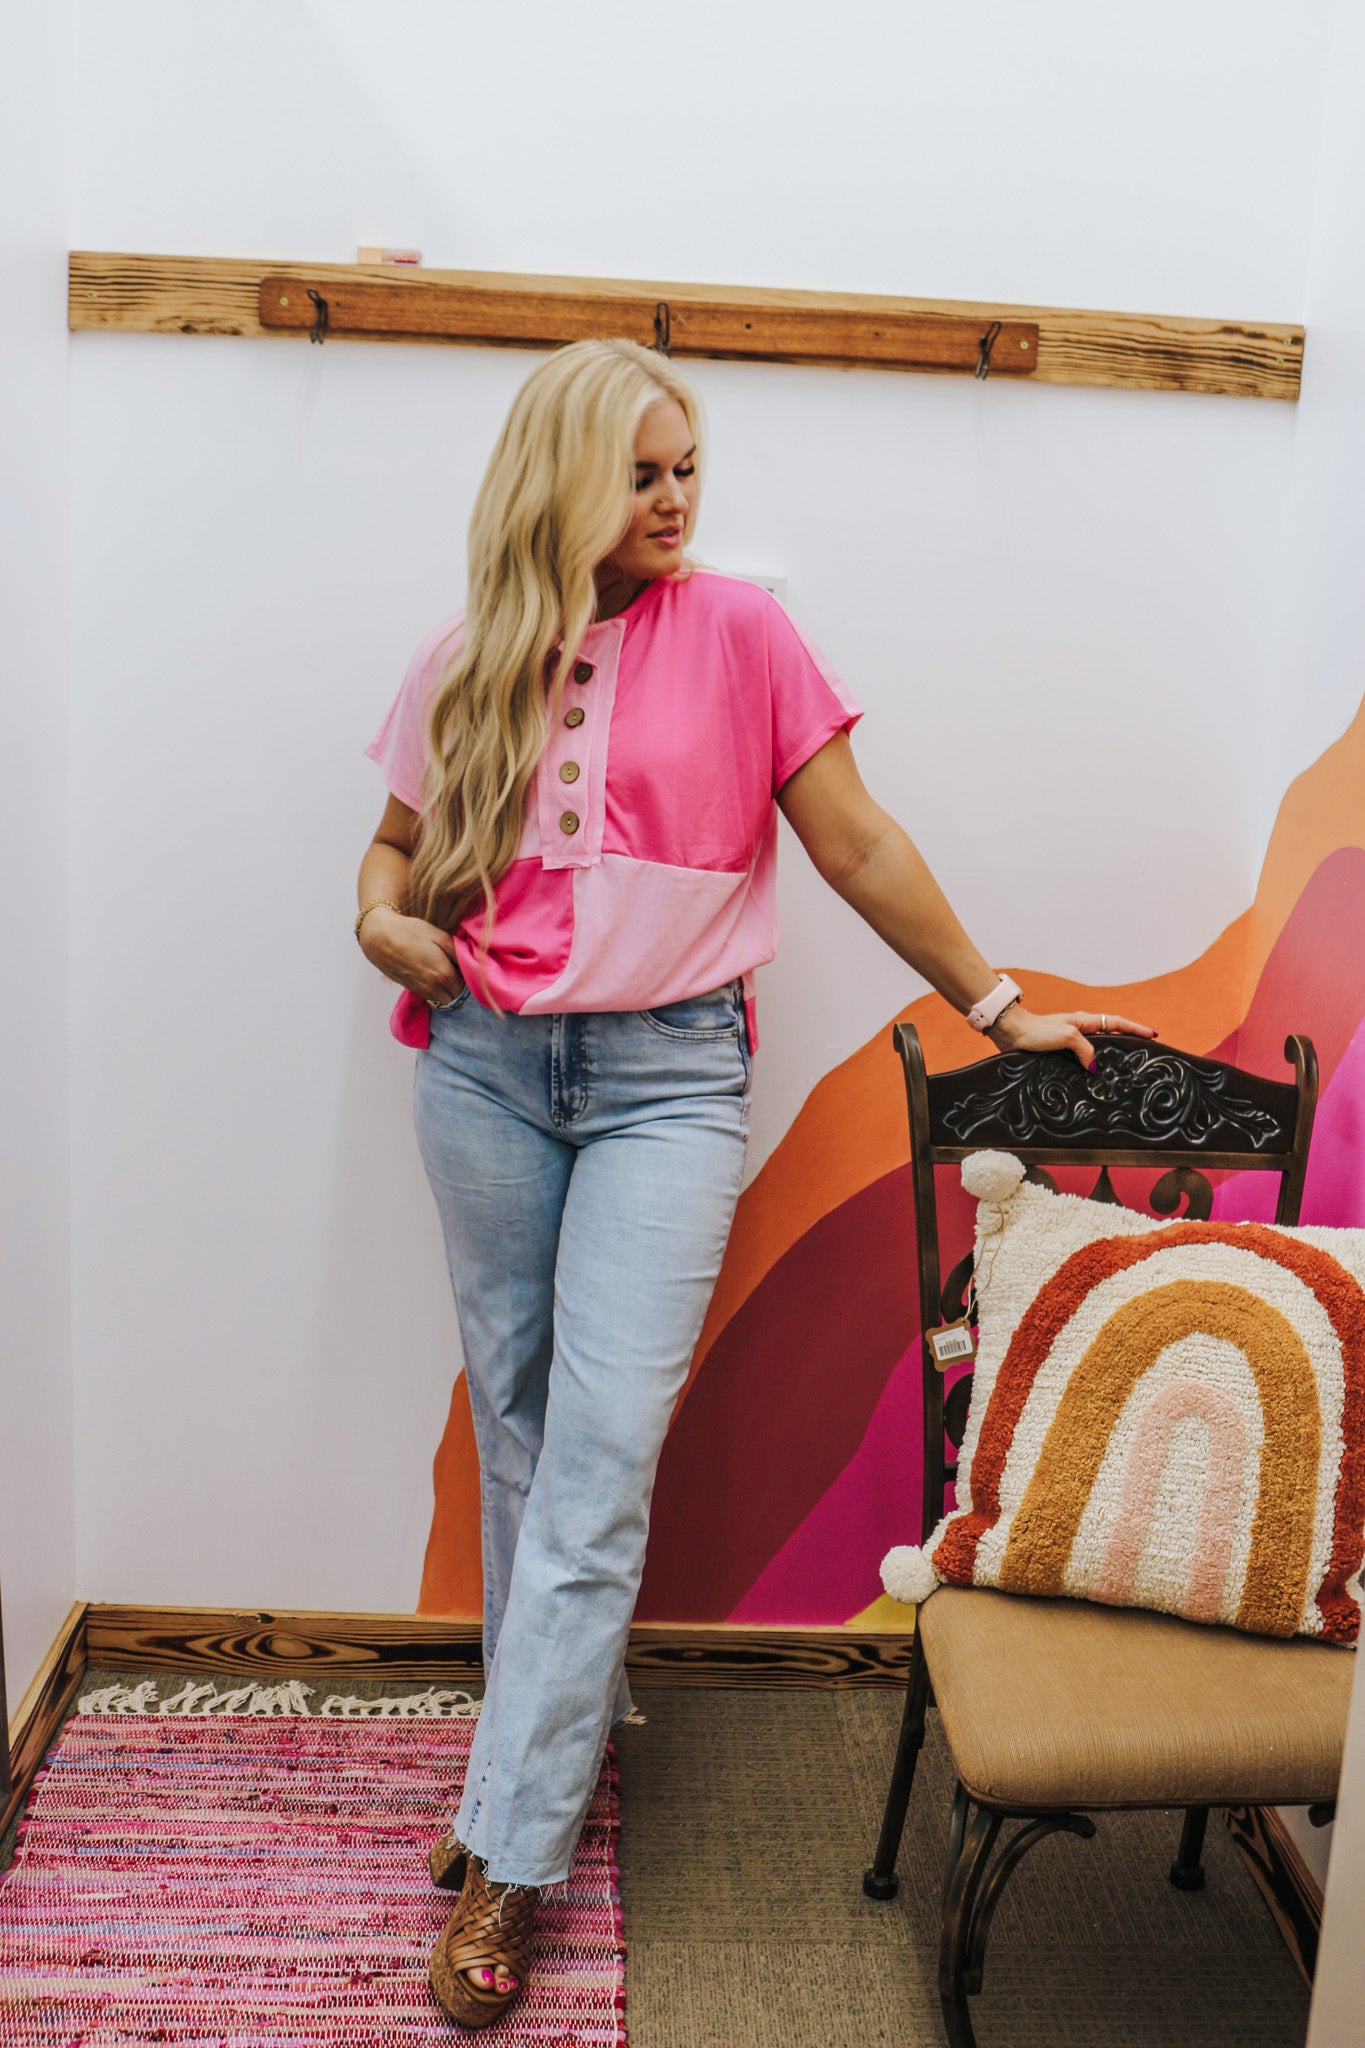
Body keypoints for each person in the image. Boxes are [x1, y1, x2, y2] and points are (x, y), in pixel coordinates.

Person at [356, 336, 1152, 2029]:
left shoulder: (740, 632)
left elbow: (852, 840)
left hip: (665, 1086)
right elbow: (393, 857)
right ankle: (523, 1765)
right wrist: (382, 923)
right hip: (484, 1072)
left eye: (685, 468)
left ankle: (510, 1849)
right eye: (641, 471)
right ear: (562, 476)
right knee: (514, 1429)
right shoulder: (470, 652)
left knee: (599, 1453)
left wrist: (998, 1004)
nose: (673, 499)